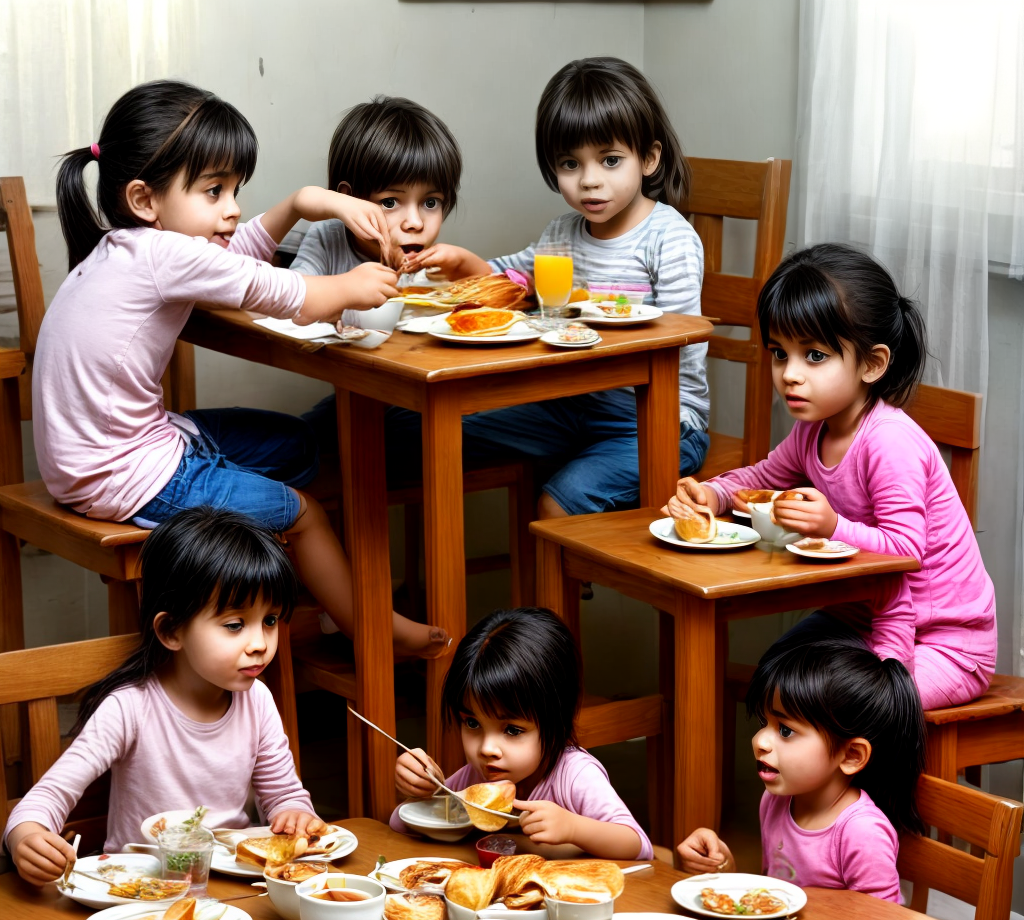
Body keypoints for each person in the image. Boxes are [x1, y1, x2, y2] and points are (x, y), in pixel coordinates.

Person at [34, 79, 445, 658]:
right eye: (213, 191)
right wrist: (350, 285)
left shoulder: (128, 245)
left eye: (234, 189)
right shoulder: (162, 254)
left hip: (123, 449)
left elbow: (236, 256)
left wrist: (305, 201)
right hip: (122, 475)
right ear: (145, 199)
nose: (233, 207)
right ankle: (372, 626)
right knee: (302, 512)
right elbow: (273, 289)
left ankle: (302, 565)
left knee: (299, 443)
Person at [664, 243, 996, 710]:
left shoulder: (888, 441)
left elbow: (905, 551)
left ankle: (859, 787)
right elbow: (762, 476)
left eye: (814, 356)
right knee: (776, 677)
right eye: (780, 354)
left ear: (872, 364)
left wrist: (832, 527)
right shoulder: (813, 431)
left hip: (943, 641)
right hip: (863, 618)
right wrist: (713, 494)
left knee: (828, 707)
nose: (790, 375)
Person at [398, 56, 708, 518]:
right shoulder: (562, 234)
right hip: (570, 409)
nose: (589, 180)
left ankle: (559, 582)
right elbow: (509, 281)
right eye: (570, 163)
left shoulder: (670, 239)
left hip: (657, 420)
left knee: (557, 502)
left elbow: (682, 342)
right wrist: (463, 264)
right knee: (422, 430)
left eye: (610, 160)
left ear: (649, 158)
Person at [4, 507, 327, 885]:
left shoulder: (257, 700)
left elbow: (284, 796)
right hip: (136, 889)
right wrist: (25, 837)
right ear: (172, 630)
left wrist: (295, 814)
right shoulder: (130, 707)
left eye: (270, 620)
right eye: (235, 625)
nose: (259, 644)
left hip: (230, 884)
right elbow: (46, 799)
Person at [390, 607, 653, 860]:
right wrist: (421, 792)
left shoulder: (574, 775)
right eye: (472, 723)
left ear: (557, 720)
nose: (487, 748)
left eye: (512, 730)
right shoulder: (478, 779)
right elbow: (401, 825)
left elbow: (638, 845)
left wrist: (574, 828)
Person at [678, 638, 926, 903]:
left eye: (785, 730)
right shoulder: (776, 801)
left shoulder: (862, 834)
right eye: (764, 722)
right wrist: (721, 867)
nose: (760, 741)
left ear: (852, 755)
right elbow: (772, 898)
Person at [287, 95, 463, 457]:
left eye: (430, 202)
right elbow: (292, 303)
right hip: (358, 398)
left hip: (422, 404)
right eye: (390, 202)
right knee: (296, 442)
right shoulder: (327, 241)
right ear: (348, 200)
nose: (415, 221)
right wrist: (346, 291)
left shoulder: (431, 266)